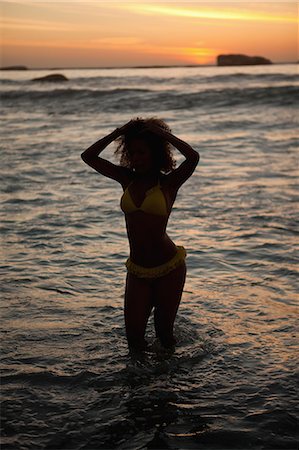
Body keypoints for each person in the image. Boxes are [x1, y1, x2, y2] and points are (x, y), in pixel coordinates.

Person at [81, 117, 199, 352]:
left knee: (164, 335)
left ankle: (171, 385)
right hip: (137, 269)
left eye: (142, 152)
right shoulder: (126, 179)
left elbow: (193, 157)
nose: (136, 158)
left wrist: (162, 135)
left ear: (155, 153)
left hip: (169, 267)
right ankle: (137, 387)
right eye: (132, 153)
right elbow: (88, 156)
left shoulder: (169, 183)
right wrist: (120, 131)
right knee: (134, 340)